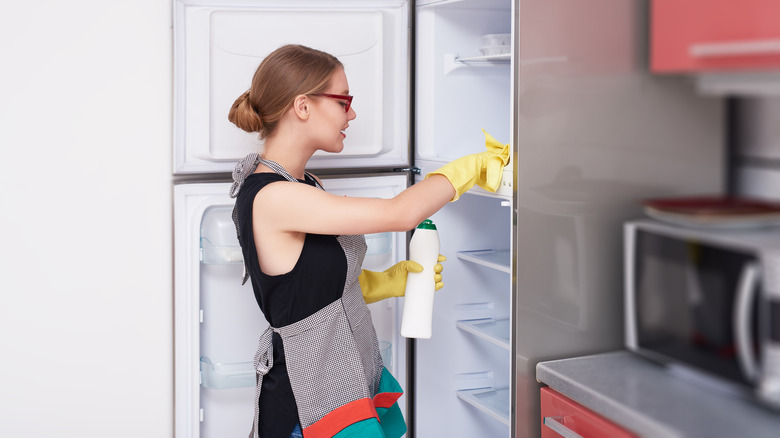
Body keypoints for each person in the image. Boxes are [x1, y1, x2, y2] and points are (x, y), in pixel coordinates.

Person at [227, 44, 509, 438]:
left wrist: (381, 284)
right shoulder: (275, 196)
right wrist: (467, 170)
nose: (352, 113)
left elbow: (305, 286)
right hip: (304, 407)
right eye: (344, 101)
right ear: (303, 106)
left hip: (339, 383)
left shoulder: (303, 184)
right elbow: (400, 214)